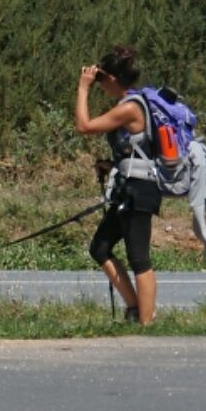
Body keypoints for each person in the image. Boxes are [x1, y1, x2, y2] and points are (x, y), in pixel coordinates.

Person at [75, 45, 160, 325]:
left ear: (112, 79)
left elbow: (84, 126)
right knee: (100, 248)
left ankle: (146, 323)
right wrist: (113, 166)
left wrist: (84, 87)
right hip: (129, 187)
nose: (100, 86)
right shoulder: (132, 104)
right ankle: (135, 309)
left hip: (140, 191)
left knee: (139, 257)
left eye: (101, 80)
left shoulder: (130, 107)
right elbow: (137, 148)